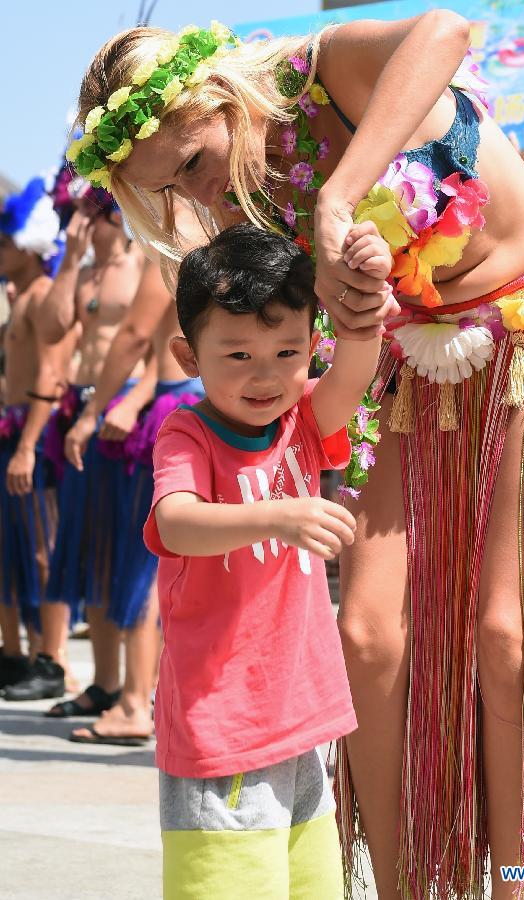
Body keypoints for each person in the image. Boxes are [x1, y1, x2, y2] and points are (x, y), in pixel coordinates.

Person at [70, 18, 524, 899]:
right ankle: (404, 887)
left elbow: (448, 28)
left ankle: (521, 888)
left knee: (505, 639)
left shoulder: (321, 68)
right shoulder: (241, 208)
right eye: (169, 189)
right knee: (367, 637)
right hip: (410, 367)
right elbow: (282, 340)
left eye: (190, 160)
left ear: (218, 95)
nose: (198, 190)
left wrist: (338, 196)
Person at [143, 220, 389, 898]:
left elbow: (355, 371)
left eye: (286, 352)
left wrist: (367, 295)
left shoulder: (303, 419)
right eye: (238, 356)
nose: (267, 376)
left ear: (312, 345)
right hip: (224, 728)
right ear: (189, 358)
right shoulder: (186, 433)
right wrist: (278, 515)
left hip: (303, 717)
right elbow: (177, 521)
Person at [5, 183, 149, 708]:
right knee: (91, 552)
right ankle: (104, 683)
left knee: (131, 553)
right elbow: (52, 329)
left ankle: (136, 691)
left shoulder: (142, 262)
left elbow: (151, 347)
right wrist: (68, 258)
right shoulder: (84, 270)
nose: (78, 218)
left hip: (124, 412)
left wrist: (131, 403)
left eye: (86, 208)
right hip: (82, 414)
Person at [63, 251, 204, 744]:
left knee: (146, 563)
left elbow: (135, 336)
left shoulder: (166, 242)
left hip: (173, 403)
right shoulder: (208, 231)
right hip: (196, 397)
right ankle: (148, 695)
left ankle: (131, 704)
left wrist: (90, 414)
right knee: (169, 561)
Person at [0, 178, 76, 689]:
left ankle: (54, 660)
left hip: (34, 437)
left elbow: (51, 377)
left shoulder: (43, 295)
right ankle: (15, 653)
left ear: (28, 244)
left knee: (44, 547)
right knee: (9, 547)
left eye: (5, 242)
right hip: (12, 432)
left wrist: (27, 446)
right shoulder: (19, 295)